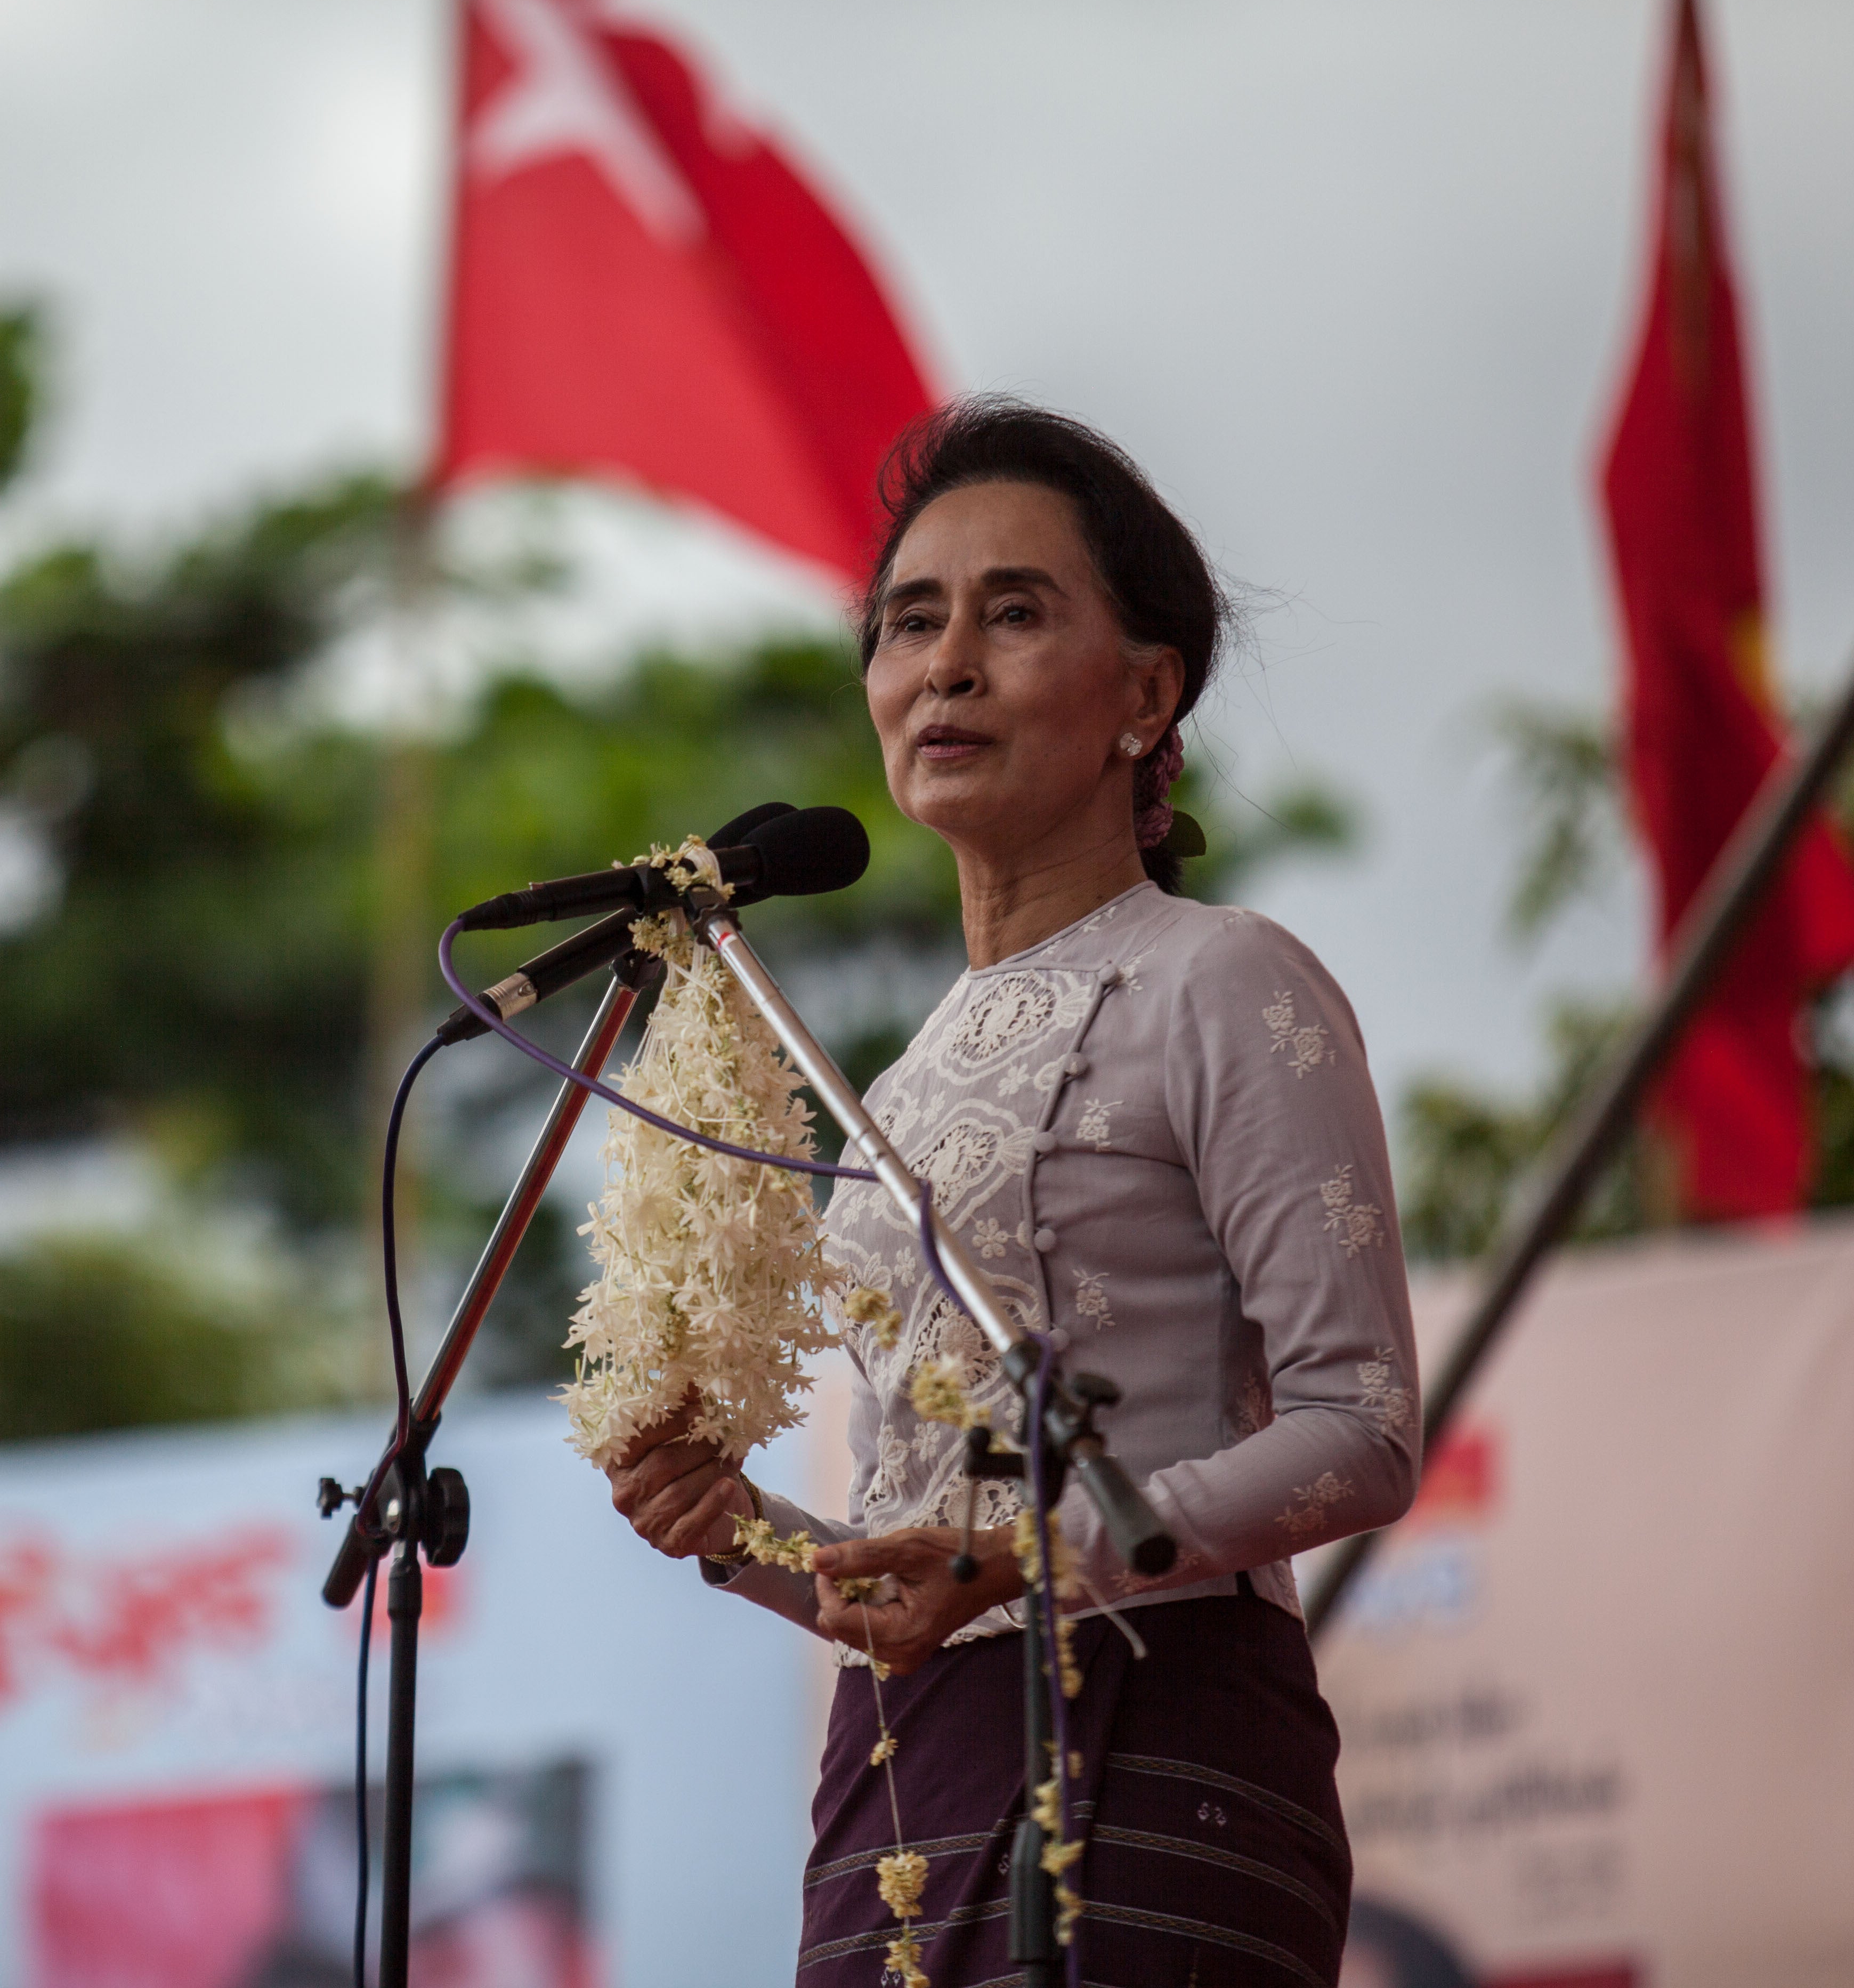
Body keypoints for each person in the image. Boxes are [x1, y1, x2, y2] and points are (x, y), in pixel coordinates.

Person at [603, 397, 1419, 1985]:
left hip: (1159, 1733)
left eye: (1016, 612)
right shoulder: (890, 1086)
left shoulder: (1221, 978)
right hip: (904, 1769)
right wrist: (740, 1533)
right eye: (912, 624)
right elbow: (913, 1570)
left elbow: (1363, 1428)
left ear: (1147, 692)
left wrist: (1023, 1559)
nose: (946, 664)